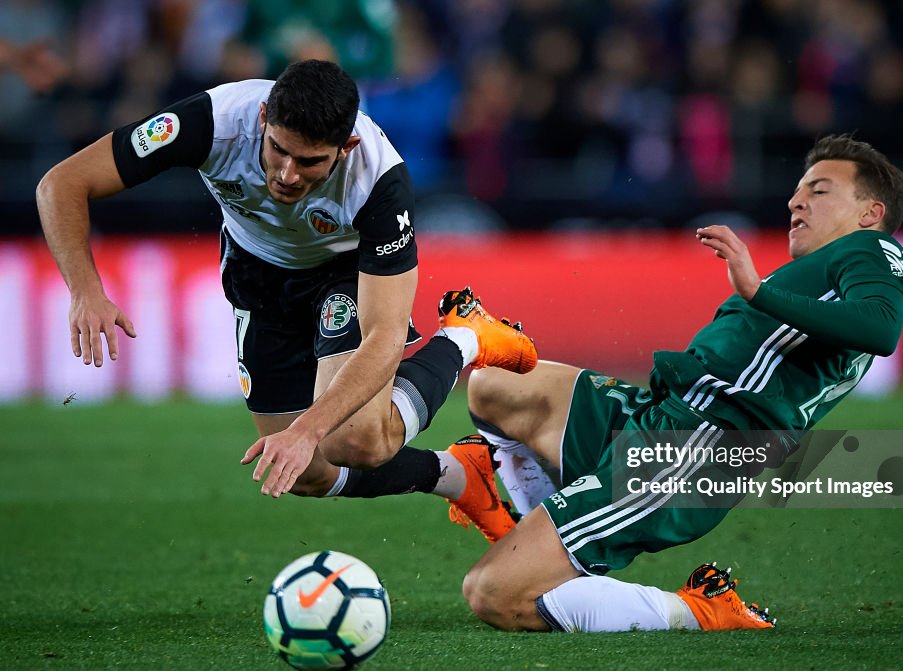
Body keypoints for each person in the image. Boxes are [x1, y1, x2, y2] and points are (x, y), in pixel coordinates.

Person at [35, 59, 537, 535]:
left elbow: (384, 337)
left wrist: (309, 429)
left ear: (346, 146)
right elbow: (61, 184)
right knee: (304, 473)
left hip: (344, 271)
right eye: (279, 150)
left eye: (310, 161)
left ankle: (464, 337)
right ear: (262, 117)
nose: (288, 175)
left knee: (355, 439)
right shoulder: (213, 122)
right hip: (257, 274)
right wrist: (85, 290)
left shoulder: (379, 181)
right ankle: (458, 474)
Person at [451, 134, 903, 632]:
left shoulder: (875, 248)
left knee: (493, 594)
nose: (796, 200)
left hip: (692, 450)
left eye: (820, 191)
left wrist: (756, 290)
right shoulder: (815, 274)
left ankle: (698, 610)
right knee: (495, 382)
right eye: (798, 190)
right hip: (661, 412)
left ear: (870, 213)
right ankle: (538, 531)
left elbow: (881, 326)